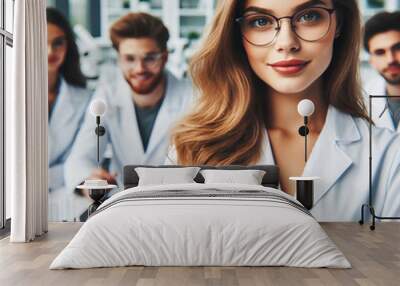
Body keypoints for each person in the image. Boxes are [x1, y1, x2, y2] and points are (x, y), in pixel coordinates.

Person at [168, 0, 400, 221]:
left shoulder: (388, 156)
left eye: (309, 16)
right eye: (260, 21)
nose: (286, 42)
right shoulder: (192, 149)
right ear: (237, 34)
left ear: (339, 23)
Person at [65, 12, 194, 190]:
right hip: (122, 202)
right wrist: (90, 180)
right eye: (130, 59)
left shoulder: (192, 97)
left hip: (173, 201)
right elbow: (80, 156)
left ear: (164, 57)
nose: (139, 69)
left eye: (149, 58)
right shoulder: (108, 96)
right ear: (119, 59)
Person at [47, 8, 92, 193]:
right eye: (41, 42)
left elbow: (75, 161)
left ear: (68, 46)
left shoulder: (83, 99)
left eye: (58, 43)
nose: (50, 51)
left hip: (62, 196)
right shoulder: (8, 94)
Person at [363, 11, 400, 132]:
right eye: (380, 52)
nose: (391, 60)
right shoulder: (363, 100)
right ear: (372, 60)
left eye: (398, 48)